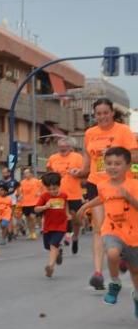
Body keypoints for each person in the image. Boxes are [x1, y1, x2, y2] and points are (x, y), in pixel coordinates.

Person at [78, 98, 138, 291]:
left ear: (112, 113)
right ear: (94, 115)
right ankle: (98, 273)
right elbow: (87, 163)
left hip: (121, 186)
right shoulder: (90, 133)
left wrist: (112, 154)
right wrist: (78, 172)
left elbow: (135, 155)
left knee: (123, 224)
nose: (102, 116)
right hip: (97, 183)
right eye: (98, 113)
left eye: (106, 112)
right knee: (99, 227)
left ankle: (122, 254)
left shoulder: (123, 131)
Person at [77, 146, 138, 313]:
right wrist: (85, 206)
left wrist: (129, 198)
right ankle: (115, 282)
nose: (112, 167)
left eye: (117, 163)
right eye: (109, 163)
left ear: (127, 165)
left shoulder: (134, 184)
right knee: (112, 253)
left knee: (135, 271)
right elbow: (101, 198)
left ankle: (137, 296)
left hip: (134, 233)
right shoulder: (103, 185)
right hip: (111, 228)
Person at [46, 136, 85, 255]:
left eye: (65, 147)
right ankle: (60, 242)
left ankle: (75, 237)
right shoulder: (53, 158)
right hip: (58, 195)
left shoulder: (78, 157)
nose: (62, 149)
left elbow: (85, 175)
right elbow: (48, 173)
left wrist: (77, 173)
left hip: (74, 194)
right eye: (60, 147)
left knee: (76, 219)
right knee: (60, 218)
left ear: (70, 147)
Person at [35, 172, 70, 278]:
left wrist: (68, 215)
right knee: (48, 246)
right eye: (49, 189)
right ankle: (58, 252)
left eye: (54, 189)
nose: (52, 191)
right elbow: (36, 209)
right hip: (48, 226)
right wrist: (44, 207)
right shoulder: (44, 196)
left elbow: (66, 205)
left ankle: (50, 266)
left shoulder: (64, 195)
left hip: (61, 225)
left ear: (59, 186)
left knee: (53, 244)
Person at [18, 167, 43, 240]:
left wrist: (39, 193)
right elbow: (20, 191)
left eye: (27, 173)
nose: (26, 174)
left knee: (33, 217)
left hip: (34, 202)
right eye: (24, 173)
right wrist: (20, 196)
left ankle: (34, 232)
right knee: (28, 218)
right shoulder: (22, 182)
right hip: (25, 203)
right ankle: (31, 233)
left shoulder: (36, 181)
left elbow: (42, 189)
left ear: (31, 174)